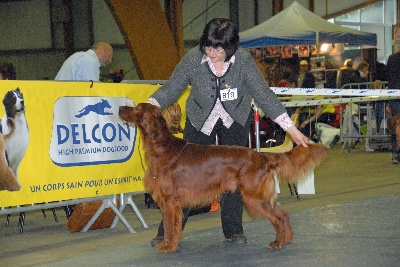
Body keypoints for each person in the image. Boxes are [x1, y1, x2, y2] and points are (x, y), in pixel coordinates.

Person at [146, 18, 308, 247]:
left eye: (218, 49)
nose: (211, 53)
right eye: (208, 47)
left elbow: (263, 95)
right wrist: (148, 106)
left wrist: (291, 129)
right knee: (187, 178)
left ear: (230, 48)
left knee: (235, 174)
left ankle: (233, 230)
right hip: (200, 120)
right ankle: (168, 233)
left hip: (234, 121)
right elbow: (171, 88)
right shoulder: (193, 58)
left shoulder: (242, 60)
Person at [386, 52, 400, 164]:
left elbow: (388, 76)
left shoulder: (392, 58)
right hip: (395, 94)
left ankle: (395, 153)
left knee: (396, 124)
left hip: (394, 94)